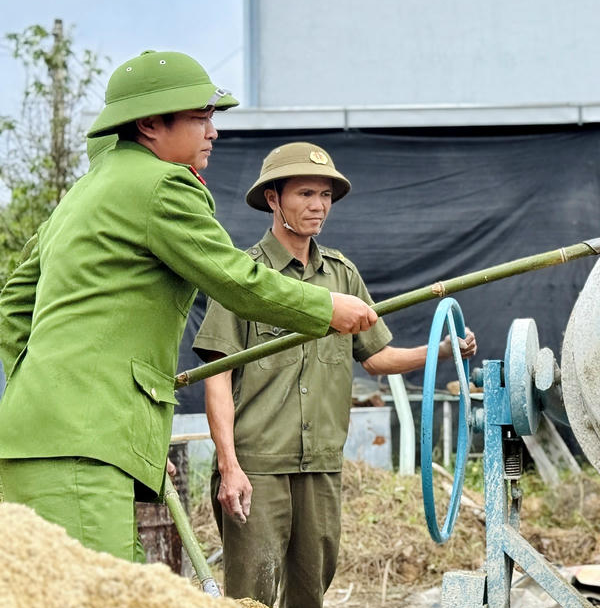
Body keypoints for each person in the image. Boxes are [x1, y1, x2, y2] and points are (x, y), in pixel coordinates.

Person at [0, 51, 379, 563]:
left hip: (44, 438)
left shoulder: (85, 190)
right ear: (151, 124)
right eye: (200, 118)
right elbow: (235, 281)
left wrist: (87, 418)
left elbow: (14, 303)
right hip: (79, 447)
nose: (213, 132)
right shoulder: (162, 185)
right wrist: (325, 308)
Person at [192, 142, 476, 608]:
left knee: (310, 594)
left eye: (325, 195)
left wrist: (438, 351)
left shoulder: (342, 276)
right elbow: (216, 378)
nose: (318, 205)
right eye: (305, 193)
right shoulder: (245, 275)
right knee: (252, 598)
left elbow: (377, 356)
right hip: (258, 463)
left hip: (321, 463)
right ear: (273, 199)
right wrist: (230, 466)